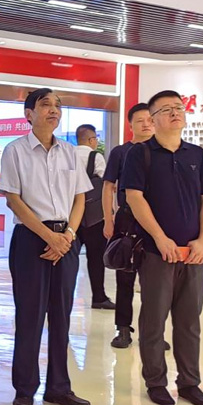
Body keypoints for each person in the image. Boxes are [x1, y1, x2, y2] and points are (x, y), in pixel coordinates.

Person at [121, 90, 203, 405]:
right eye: (166, 109)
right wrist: (160, 238)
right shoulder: (141, 154)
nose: (175, 113)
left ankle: (189, 382)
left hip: (193, 254)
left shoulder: (196, 155)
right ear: (153, 119)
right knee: (154, 319)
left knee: (189, 321)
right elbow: (134, 197)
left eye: (178, 107)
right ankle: (156, 381)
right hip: (156, 252)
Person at [0, 88, 92, 405]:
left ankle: (59, 388)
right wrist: (48, 237)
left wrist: (67, 236)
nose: (53, 110)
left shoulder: (70, 152)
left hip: (65, 239)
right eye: (45, 105)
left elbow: (80, 198)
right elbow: (13, 200)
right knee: (30, 316)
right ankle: (24, 390)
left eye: (57, 106)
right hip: (31, 240)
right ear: (29, 114)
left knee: (62, 317)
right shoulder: (15, 151)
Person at [102, 103, 154, 348]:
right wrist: (108, 219)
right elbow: (108, 187)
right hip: (127, 220)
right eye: (140, 120)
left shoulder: (162, 153)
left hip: (156, 221)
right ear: (130, 124)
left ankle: (153, 332)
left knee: (155, 281)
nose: (146, 124)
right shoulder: (121, 152)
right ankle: (123, 329)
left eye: (150, 119)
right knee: (125, 277)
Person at [74, 124, 114, 310]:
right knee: (96, 259)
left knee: (69, 259)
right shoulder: (95, 157)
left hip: (71, 217)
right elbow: (107, 185)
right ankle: (99, 297)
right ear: (91, 140)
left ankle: (61, 297)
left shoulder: (67, 154)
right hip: (95, 217)